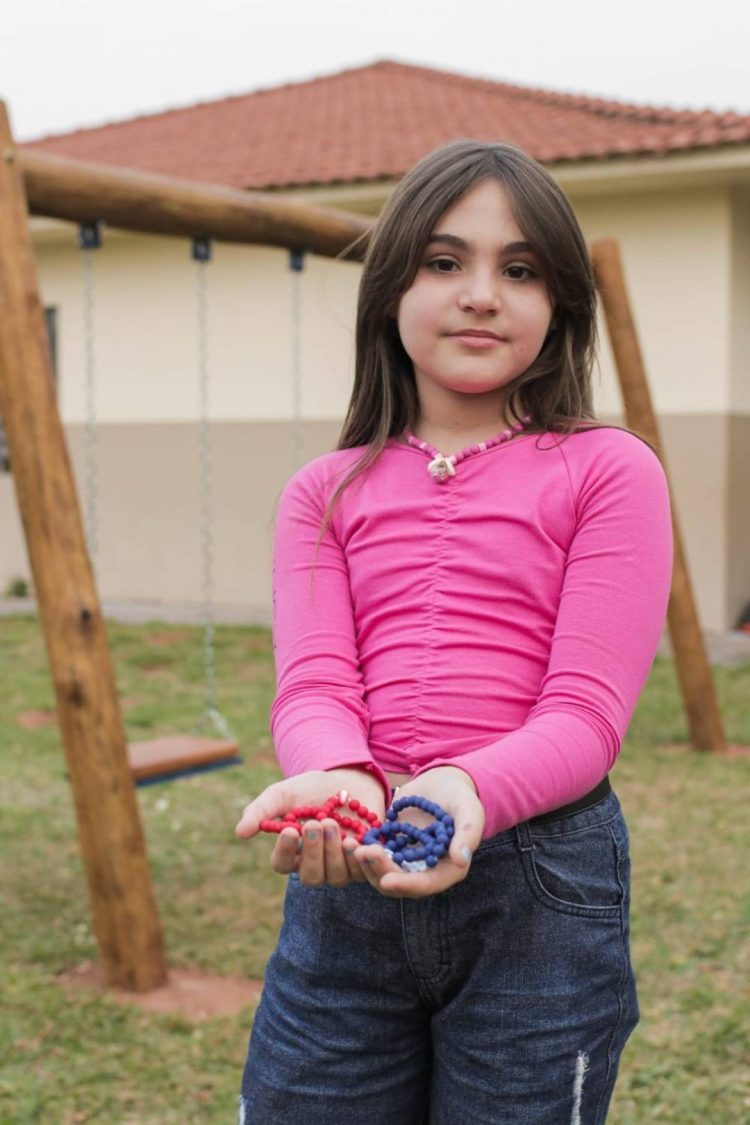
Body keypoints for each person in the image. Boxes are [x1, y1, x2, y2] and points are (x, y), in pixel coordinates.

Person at [235, 139, 673, 1124]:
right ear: (391, 288)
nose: (482, 293)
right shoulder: (322, 490)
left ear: (559, 302)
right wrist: (341, 784)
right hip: (349, 879)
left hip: (540, 890)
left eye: (520, 270)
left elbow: (588, 711)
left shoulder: (609, 472)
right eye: (444, 262)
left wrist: (468, 790)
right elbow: (314, 688)